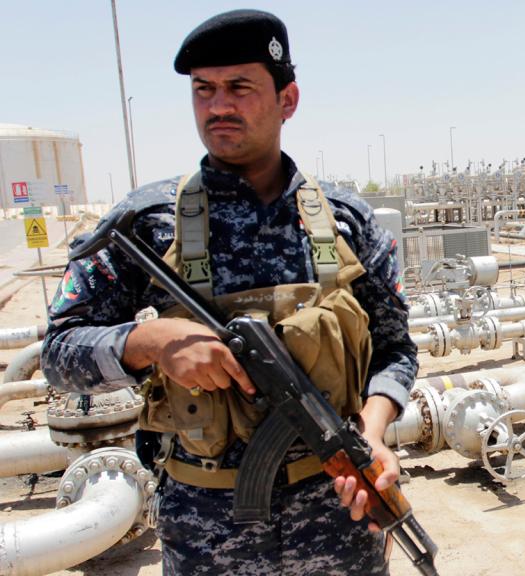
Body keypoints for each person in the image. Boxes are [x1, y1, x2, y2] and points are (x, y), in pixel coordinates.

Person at [41, 9, 417, 575]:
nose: (218, 105)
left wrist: (372, 430)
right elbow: (58, 354)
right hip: (206, 534)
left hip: (338, 524)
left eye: (239, 87)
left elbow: (396, 351)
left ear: (288, 100)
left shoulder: (348, 222)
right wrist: (150, 341)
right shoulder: (147, 223)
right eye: (204, 89)